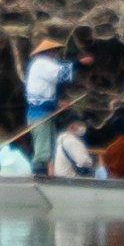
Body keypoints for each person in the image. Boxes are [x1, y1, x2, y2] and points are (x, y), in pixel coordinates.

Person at [22, 36, 74, 166]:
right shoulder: (42, 63)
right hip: (40, 115)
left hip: (43, 113)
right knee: (43, 152)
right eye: (54, 51)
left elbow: (45, 90)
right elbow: (61, 74)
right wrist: (80, 64)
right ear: (47, 52)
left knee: (50, 147)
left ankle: (44, 174)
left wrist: (58, 104)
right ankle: (38, 175)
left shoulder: (40, 64)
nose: (57, 54)